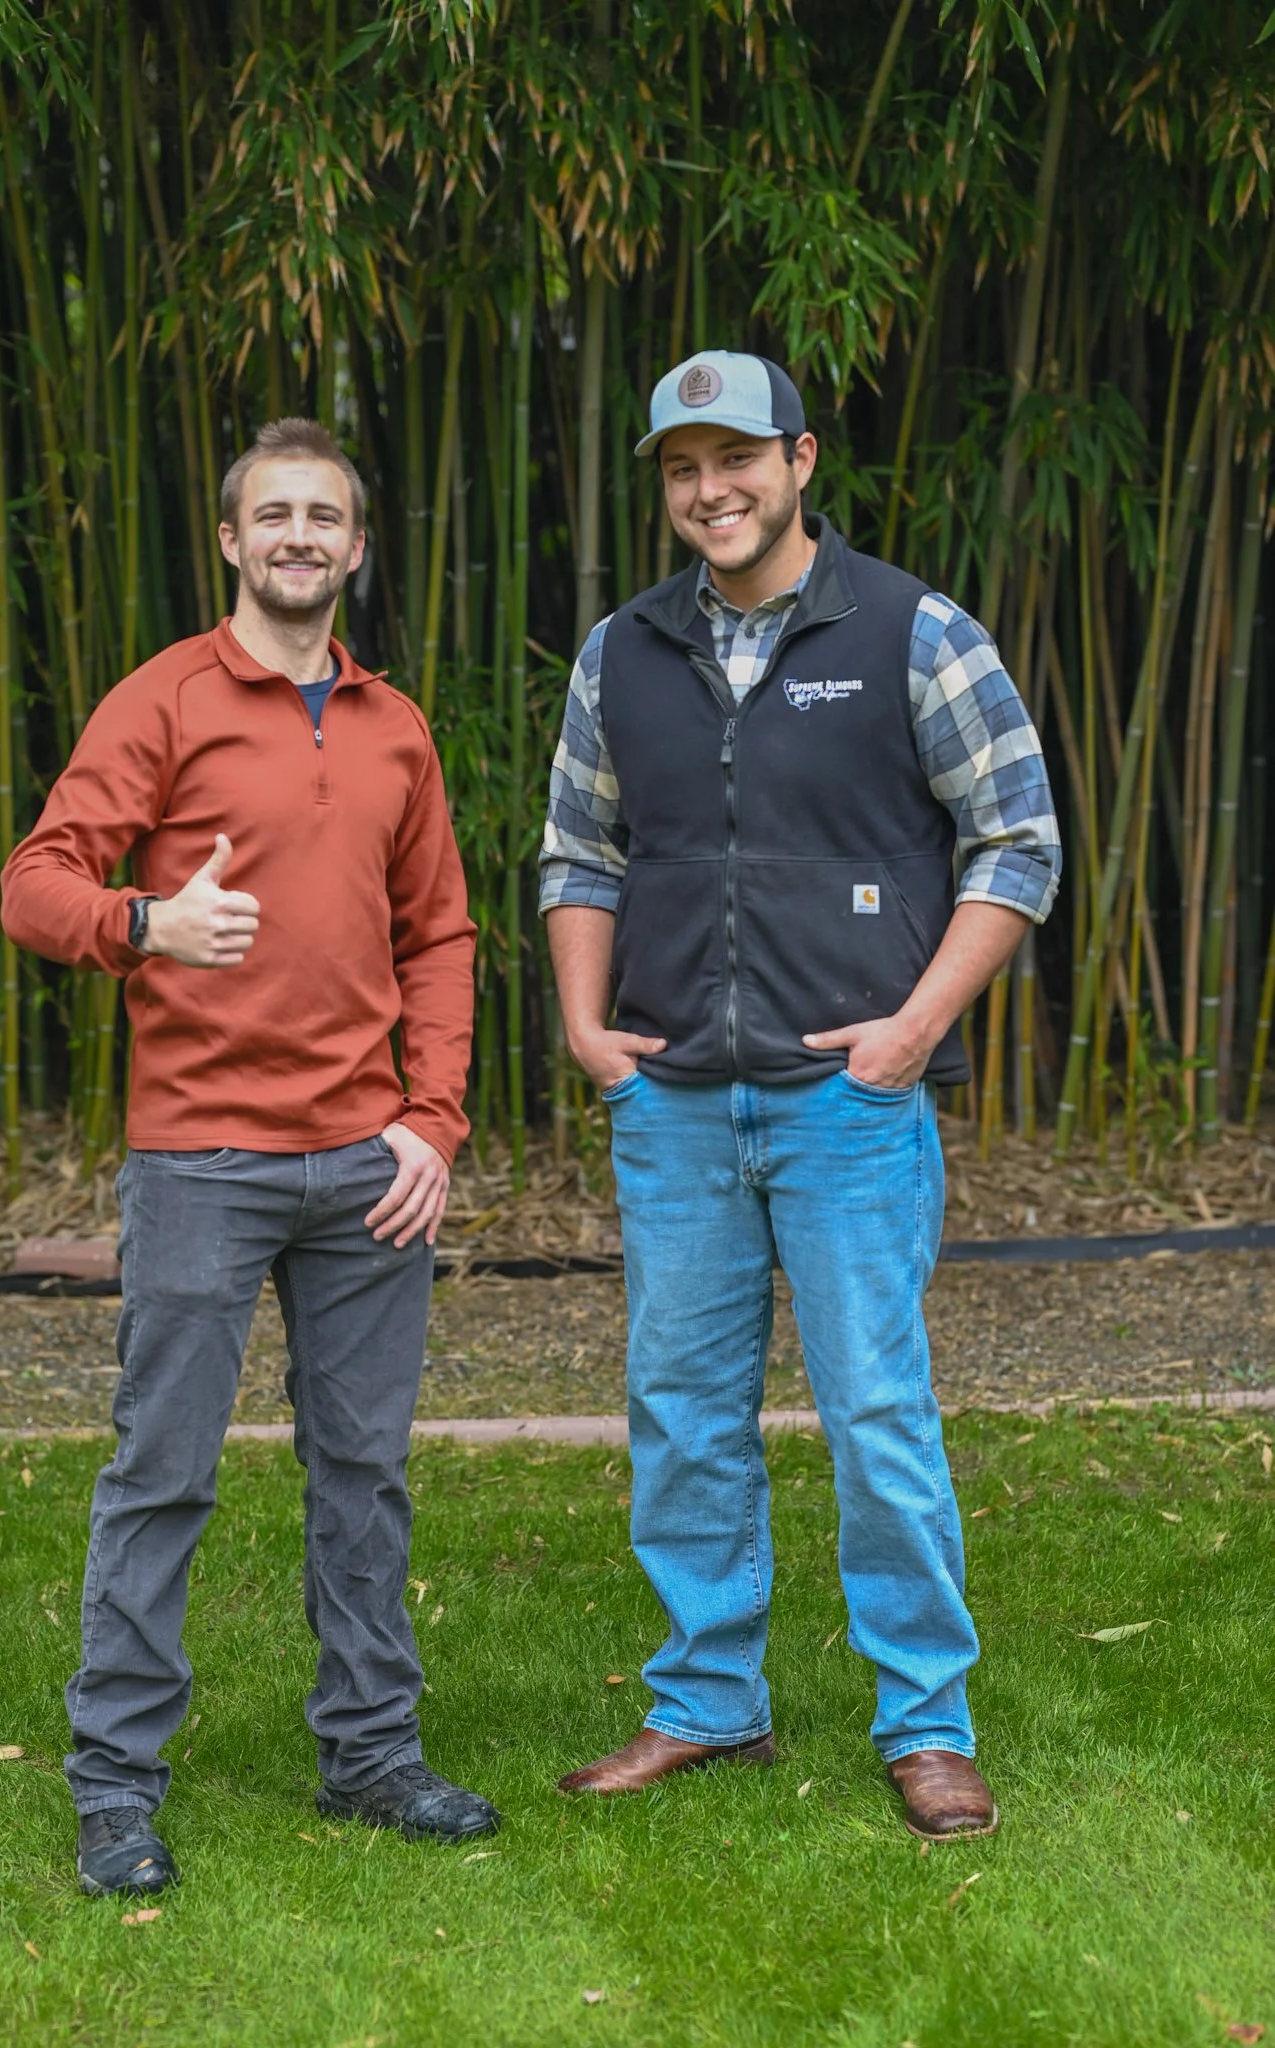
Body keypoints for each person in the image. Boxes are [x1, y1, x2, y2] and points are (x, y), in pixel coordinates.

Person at [539, 351, 1061, 1839]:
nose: (710, 490)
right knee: (683, 1412)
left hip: (848, 1104)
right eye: (681, 468)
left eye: (737, 459)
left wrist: (911, 1029)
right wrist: (586, 1028)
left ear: (801, 459)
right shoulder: (619, 651)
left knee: (876, 1411)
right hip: (678, 1104)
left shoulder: (912, 629)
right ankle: (707, 1704)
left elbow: (1014, 841)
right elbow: (580, 852)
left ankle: (926, 1722)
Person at [1, 417, 499, 1897]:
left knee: (365, 1475)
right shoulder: (160, 701)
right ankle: (115, 1790)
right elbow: (37, 885)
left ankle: (372, 1756)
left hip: (367, 1166)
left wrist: (434, 1118)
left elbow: (444, 935)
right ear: (231, 541)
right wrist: (147, 923)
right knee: (162, 1474)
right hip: (200, 1163)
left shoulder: (394, 724)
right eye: (271, 514)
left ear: (355, 547)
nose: (297, 536)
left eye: (323, 516)